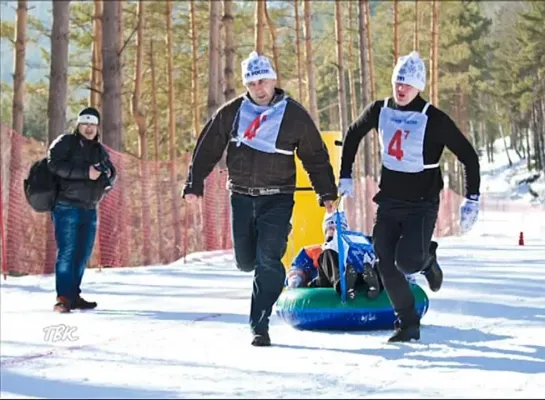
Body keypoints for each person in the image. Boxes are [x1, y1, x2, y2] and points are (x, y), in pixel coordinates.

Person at [183, 51, 338, 347]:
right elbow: (208, 147)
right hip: (240, 196)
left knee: (268, 258)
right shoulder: (233, 112)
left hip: (277, 197)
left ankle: (260, 324)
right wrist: (194, 183)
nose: (259, 88)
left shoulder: (293, 114)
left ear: (273, 79)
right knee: (245, 262)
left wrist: (326, 193)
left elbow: (315, 157)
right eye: (252, 83)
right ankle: (271, 275)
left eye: (263, 81)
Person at [338, 51, 481, 342]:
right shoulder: (380, 110)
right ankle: (407, 323)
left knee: (408, 262)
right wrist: (345, 175)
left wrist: (472, 198)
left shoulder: (435, 119)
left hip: (422, 203)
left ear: (419, 86)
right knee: (384, 261)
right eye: (397, 83)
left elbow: (468, 156)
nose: (400, 89)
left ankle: (427, 259)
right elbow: (353, 133)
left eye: (407, 84)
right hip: (389, 200)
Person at [47, 107, 117, 313]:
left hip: (89, 207)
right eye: (85, 124)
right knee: (67, 252)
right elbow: (54, 164)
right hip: (65, 205)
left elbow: (111, 172)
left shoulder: (99, 149)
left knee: (83, 253)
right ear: (78, 125)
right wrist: (85, 172)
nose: (89, 128)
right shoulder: (65, 142)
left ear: (97, 128)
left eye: (93, 124)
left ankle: (74, 295)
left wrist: (108, 176)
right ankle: (62, 298)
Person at [286, 211, 381, 300]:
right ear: (325, 230)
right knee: (327, 253)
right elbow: (297, 270)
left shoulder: (357, 245)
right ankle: (343, 283)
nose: (334, 232)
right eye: (331, 228)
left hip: (358, 278)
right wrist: (295, 280)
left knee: (377, 255)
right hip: (326, 284)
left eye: (338, 228)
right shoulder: (314, 250)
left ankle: (375, 283)